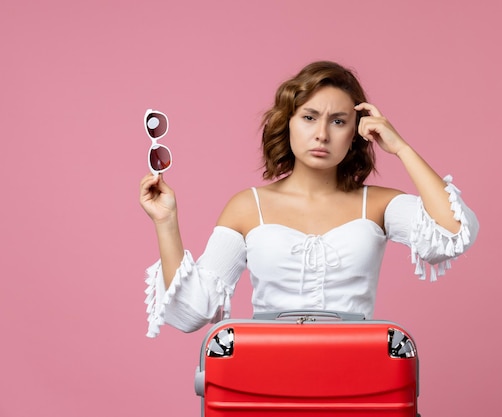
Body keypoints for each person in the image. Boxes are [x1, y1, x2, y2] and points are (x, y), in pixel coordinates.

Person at [139, 61, 479, 338]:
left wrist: (401, 148)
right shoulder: (247, 206)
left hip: (357, 373)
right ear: (287, 123)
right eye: (309, 117)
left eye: (339, 121)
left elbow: (454, 232)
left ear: (357, 131)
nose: (322, 134)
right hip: (265, 374)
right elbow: (192, 312)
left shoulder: (378, 205)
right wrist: (166, 222)